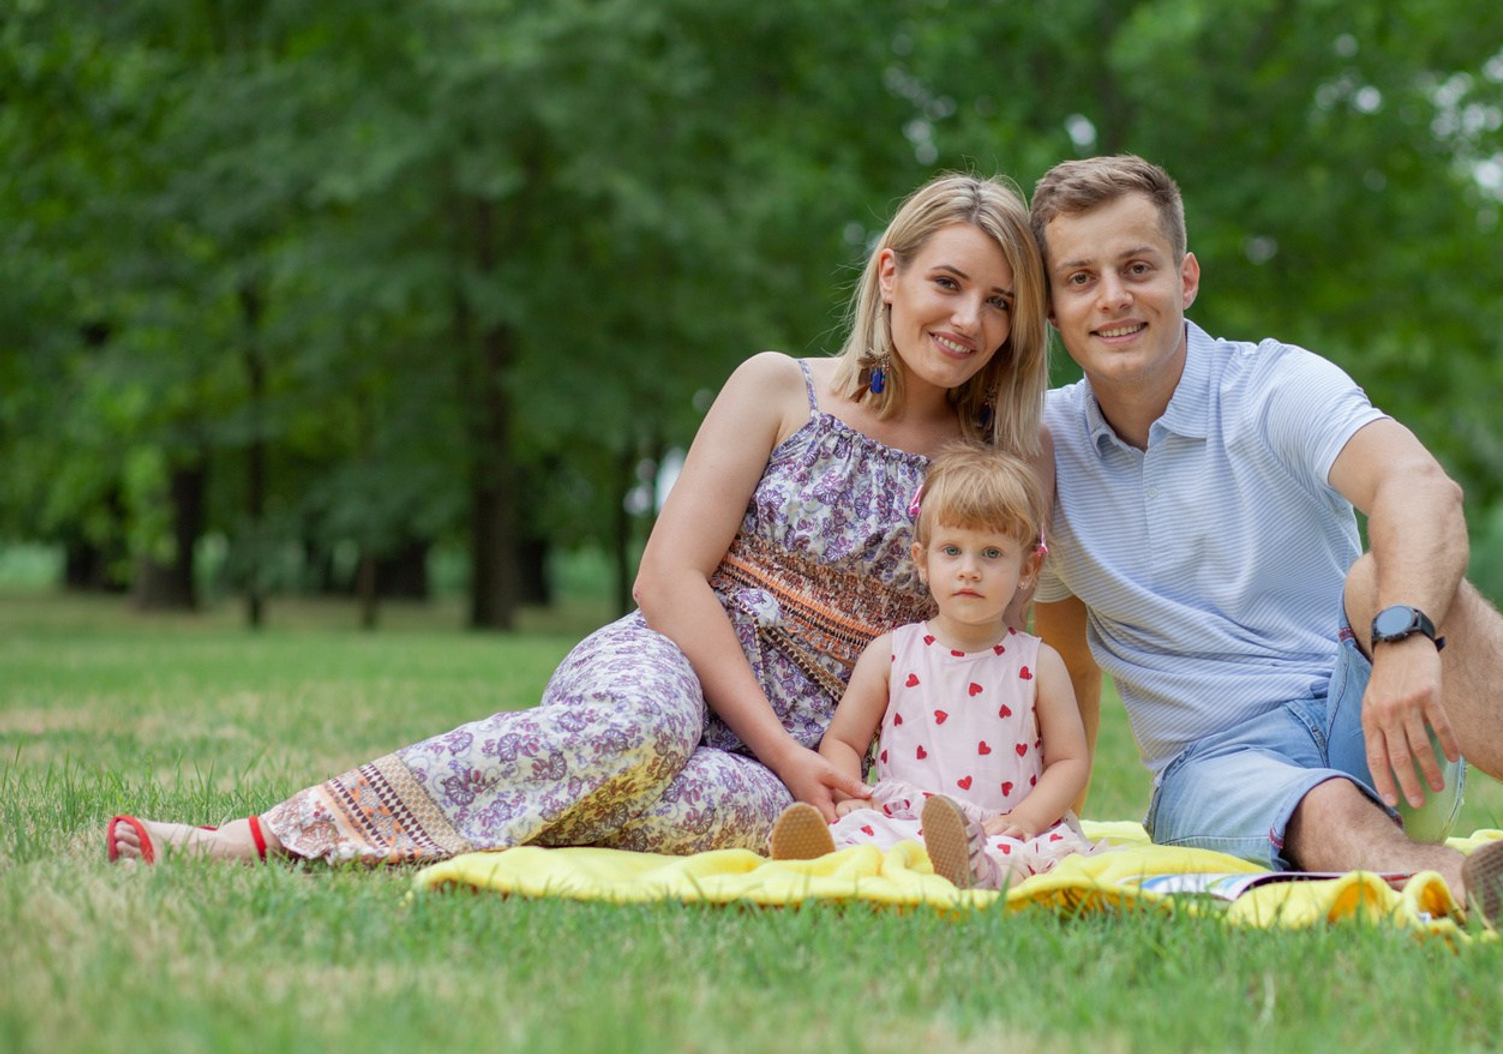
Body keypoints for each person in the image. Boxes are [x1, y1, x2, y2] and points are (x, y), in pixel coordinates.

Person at [105, 172, 1051, 866]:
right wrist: (776, 743)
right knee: (633, 736)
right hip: (673, 666)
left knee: (721, 814)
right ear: (890, 275)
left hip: (809, 763)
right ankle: (262, 837)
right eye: (948, 283)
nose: (970, 318)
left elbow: (994, 660)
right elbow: (666, 578)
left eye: (1000, 303)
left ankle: (470, 812)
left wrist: (1008, 800)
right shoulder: (779, 389)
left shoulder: (994, 468)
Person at [1026, 154, 1503, 930]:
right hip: (1213, 766)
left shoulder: (1273, 386)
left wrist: (1404, 640)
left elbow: (1420, 487)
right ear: (1052, 309)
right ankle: (1489, 891)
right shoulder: (1043, 455)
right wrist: (1053, 818)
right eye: (1081, 279)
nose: (1113, 297)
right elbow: (1067, 662)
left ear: (1186, 277)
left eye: (1138, 268)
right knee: (1323, 804)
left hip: (1375, 714)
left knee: (1389, 578)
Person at [764, 441, 1096, 889]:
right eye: (952, 550)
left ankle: (977, 872)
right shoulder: (892, 653)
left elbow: (1069, 760)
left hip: (998, 824)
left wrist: (1027, 818)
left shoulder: (1038, 663)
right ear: (922, 560)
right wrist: (850, 795)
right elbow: (844, 740)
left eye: (992, 553)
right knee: (862, 835)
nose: (969, 570)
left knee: (1019, 858)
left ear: (1028, 569)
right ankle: (822, 858)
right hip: (903, 820)